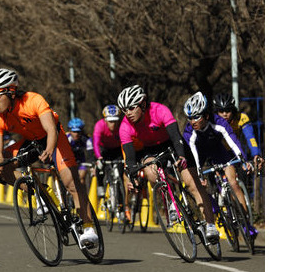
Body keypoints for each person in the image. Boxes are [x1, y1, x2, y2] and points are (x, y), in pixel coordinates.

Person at [0, 68, 98, 245]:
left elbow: (51, 129)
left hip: (54, 138)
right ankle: (40, 191)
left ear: (11, 91)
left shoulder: (33, 100)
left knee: (71, 182)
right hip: (31, 142)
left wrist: (50, 149)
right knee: (3, 167)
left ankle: (88, 226)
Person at [117, 85, 219, 243]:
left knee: (192, 184)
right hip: (150, 150)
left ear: (143, 104)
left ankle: (211, 225)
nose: (128, 113)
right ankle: (171, 201)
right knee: (151, 172)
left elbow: (176, 136)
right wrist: (132, 177)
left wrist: (181, 156)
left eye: (131, 108)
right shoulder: (124, 126)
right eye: (124, 110)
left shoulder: (159, 110)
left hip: (172, 144)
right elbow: (130, 158)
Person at [182, 92, 258, 237]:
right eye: (190, 118)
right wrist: (199, 174)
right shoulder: (189, 131)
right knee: (196, 183)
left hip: (218, 151)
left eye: (196, 117)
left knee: (233, 182)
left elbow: (233, 141)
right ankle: (213, 205)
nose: (193, 121)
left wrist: (243, 160)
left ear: (206, 116)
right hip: (200, 154)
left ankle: (246, 223)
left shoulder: (218, 122)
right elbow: (194, 156)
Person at [212, 92, 264, 172]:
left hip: (235, 151)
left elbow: (250, 137)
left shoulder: (241, 117)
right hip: (218, 152)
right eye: (221, 111)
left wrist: (256, 153)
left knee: (244, 172)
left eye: (228, 110)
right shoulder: (212, 121)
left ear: (233, 110)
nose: (225, 114)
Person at [92, 104, 124, 201]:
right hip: (103, 149)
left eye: (115, 121)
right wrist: (99, 157)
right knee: (100, 167)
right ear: (105, 120)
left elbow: (126, 142)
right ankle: (100, 185)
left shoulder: (122, 126)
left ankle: (120, 200)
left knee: (120, 172)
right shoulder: (99, 125)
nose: (113, 124)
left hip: (117, 149)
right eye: (110, 121)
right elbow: (96, 143)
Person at [66, 118, 94, 190]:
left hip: (81, 159)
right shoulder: (67, 139)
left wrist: (92, 166)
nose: (76, 134)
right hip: (68, 159)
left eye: (78, 132)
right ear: (70, 131)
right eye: (74, 131)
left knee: (81, 178)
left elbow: (90, 154)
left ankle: (83, 195)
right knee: (68, 179)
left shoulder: (87, 139)